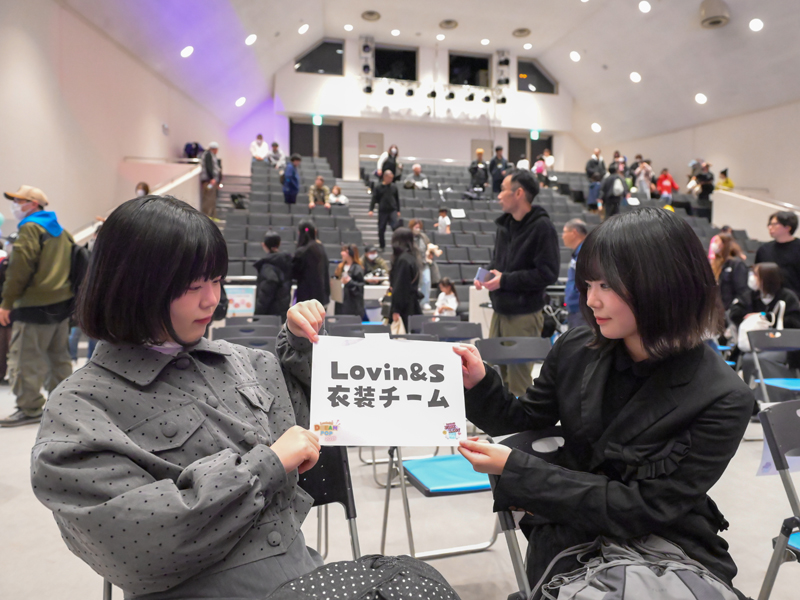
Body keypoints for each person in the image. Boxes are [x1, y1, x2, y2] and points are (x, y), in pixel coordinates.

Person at [30, 194, 329, 598]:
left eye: (217, 280)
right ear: (132, 287)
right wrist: (267, 465)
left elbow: (313, 427)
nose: (212, 300)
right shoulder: (79, 409)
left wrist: (301, 343)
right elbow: (140, 545)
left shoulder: (244, 362)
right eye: (193, 286)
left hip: (304, 577)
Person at [453, 207, 753, 593]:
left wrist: (522, 471)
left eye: (607, 286)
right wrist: (479, 382)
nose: (592, 300)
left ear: (664, 284)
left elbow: (647, 507)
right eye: (588, 284)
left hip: (664, 549)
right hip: (569, 536)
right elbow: (525, 419)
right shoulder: (577, 347)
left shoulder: (724, 397)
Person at [474, 170, 559, 397]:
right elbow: (498, 264)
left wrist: (505, 280)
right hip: (500, 311)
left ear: (519, 193)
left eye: (503, 189)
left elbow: (548, 273)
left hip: (523, 315)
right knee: (496, 379)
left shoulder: (542, 227)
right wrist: (484, 275)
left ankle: (522, 422)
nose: (499, 195)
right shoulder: (505, 226)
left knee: (519, 383)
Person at [0, 185, 73, 427]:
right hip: (61, 305)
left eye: (18, 201)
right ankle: (62, 406)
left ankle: (29, 408)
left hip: (33, 305)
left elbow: (19, 269)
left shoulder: (30, 228)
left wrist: (7, 302)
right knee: (58, 358)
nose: (15, 205)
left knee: (25, 359)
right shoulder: (61, 231)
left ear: (33, 204)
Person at [730, 262, 800, 392]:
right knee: (748, 358)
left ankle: (778, 395)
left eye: (755, 275)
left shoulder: (787, 297)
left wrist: (767, 318)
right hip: (755, 346)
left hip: (783, 346)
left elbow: (795, 322)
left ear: (767, 278)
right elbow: (735, 313)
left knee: (764, 359)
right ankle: (755, 396)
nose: (752, 277)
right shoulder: (750, 296)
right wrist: (751, 318)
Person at [755, 211, 800, 296]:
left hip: (795, 298)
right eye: (769, 224)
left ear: (787, 227)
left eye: (774, 224)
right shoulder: (764, 249)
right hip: (769, 297)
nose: (770, 227)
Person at [253, 231, 292, 320]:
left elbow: (265, 295)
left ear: (264, 245)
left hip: (269, 316)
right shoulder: (286, 262)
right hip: (282, 313)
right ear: (279, 244)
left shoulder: (268, 266)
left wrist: (256, 317)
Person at [389, 227, 422, 331]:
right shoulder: (412, 258)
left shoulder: (403, 260)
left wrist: (396, 310)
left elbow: (400, 287)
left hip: (404, 309)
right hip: (412, 305)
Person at [292, 220, 329, 306]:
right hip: (320, 298)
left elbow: (294, 274)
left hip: (306, 298)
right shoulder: (320, 248)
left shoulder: (301, 251)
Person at [710, 233, 748, 310]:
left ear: (724, 244)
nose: (713, 244)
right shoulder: (715, 263)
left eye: (716, 241)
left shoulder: (736, 264)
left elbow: (741, 289)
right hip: (717, 307)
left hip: (729, 308)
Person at [562, 219, 588, 328]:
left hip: (582, 310)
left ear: (574, 233)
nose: (562, 236)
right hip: (576, 310)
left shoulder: (586, 253)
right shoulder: (579, 252)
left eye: (564, 232)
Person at [368, 170, 401, 251]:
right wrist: (371, 209)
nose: (391, 180)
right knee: (381, 228)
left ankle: (397, 245)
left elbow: (397, 199)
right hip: (383, 211)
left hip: (392, 210)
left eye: (392, 178)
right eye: (389, 178)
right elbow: (374, 199)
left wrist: (398, 210)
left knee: (395, 227)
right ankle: (382, 246)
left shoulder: (394, 187)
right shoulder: (378, 187)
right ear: (385, 177)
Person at [334, 244, 365, 318]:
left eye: (344, 251)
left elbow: (360, 288)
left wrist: (349, 282)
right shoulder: (340, 267)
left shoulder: (357, 268)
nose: (341, 253)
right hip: (340, 302)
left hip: (352, 305)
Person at [409, 219, 433, 310]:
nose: (418, 229)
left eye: (419, 227)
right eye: (416, 227)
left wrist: (431, 253)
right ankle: (414, 303)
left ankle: (425, 302)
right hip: (413, 264)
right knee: (415, 284)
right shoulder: (408, 237)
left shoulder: (423, 237)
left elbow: (429, 247)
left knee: (427, 281)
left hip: (424, 263)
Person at [200, 142, 222, 219]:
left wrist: (218, 181)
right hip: (209, 181)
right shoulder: (208, 155)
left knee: (212, 200)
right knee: (208, 199)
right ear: (214, 149)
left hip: (213, 181)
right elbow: (209, 166)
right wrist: (211, 178)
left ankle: (212, 216)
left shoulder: (213, 156)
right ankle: (206, 217)